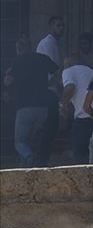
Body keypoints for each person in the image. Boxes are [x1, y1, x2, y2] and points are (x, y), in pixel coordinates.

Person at [4, 37, 59, 167]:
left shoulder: (17, 60)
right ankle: (26, 168)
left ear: (18, 48)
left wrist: (7, 76)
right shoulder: (42, 58)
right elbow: (57, 73)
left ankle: (30, 157)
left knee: (20, 142)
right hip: (43, 107)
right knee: (35, 139)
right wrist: (48, 83)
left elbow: (8, 81)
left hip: (24, 107)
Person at [61, 55, 93, 164]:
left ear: (69, 64)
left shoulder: (68, 71)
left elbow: (70, 87)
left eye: (64, 66)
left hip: (83, 119)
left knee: (80, 156)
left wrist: (63, 105)